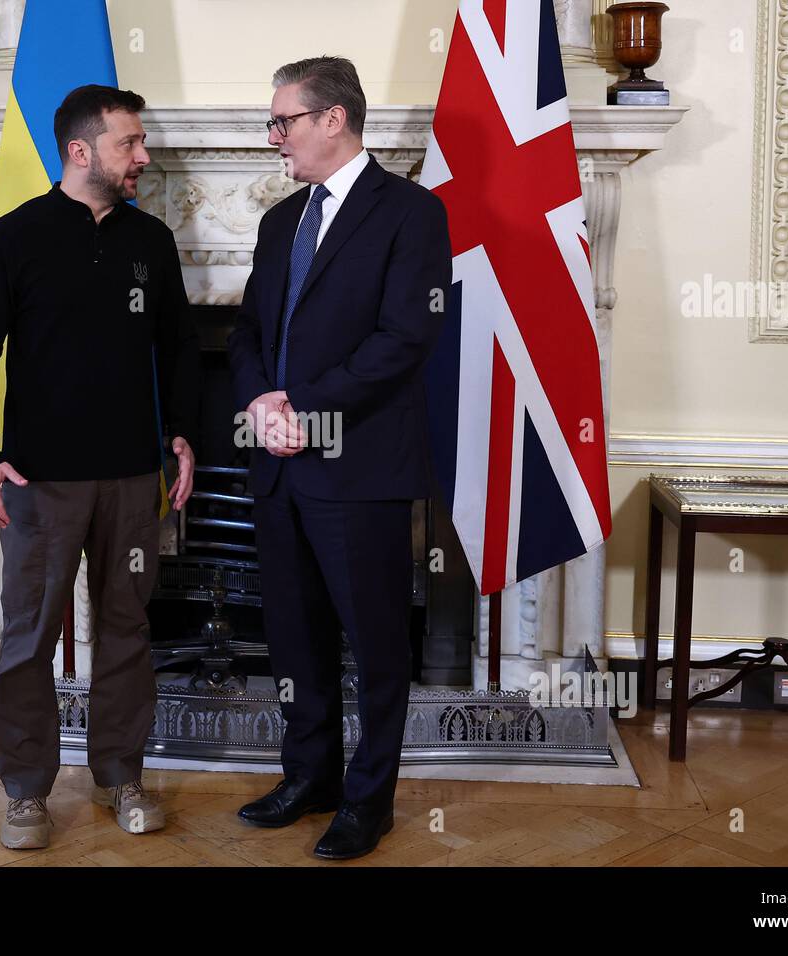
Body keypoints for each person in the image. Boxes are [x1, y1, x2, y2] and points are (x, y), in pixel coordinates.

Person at [0, 84, 200, 849]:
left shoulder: (150, 242)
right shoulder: (13, 237)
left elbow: (180, 348)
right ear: (80, 150)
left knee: (126, 631)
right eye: (130, 143)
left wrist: (183, 435)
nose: (143, 156)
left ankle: (121, 775)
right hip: (37, 482)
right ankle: (26, 793)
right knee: (28, 638)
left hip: (133, 479)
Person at [227, 56, 453, 860]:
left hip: (358, 470)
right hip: (279, 461)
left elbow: (405, 340)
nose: (274, 137)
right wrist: (260, 402)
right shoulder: (279, 221)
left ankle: (369, 800)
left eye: (282, 121)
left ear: (333, 119)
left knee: (375, 642)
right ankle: (309, 776)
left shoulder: (411, 214)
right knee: (295, 637)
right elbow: (249, 331)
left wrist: (303, 407)